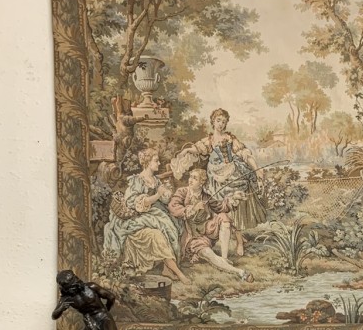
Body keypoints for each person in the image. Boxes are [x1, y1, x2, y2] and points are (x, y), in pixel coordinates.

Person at [170, 109, 266, 241]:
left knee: (236, 199)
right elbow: (197, 149)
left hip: (232, 172)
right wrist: (186, 150)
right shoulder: (209, 140)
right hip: (215, 177)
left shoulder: (230, 139)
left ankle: (237, 234)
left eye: (223, 122)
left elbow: (244, 153)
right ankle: (225, 231)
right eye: (218, 120)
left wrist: (257, 169)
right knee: (219, 203)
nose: (221, 124)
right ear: (213, 122)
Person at [103, 146, 189, 283]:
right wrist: (157, 195)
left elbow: (163, 200)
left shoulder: (156, 180)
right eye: (156, 160)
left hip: (154, 214)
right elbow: (132, 202)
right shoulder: (137, 180)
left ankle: (168, 269)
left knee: (175, 226)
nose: (159, 163)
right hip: (137, 217)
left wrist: (166, 193)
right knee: (158, 234)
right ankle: (178, 272)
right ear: (147, 162)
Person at [168, 168, 252, 282]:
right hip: (192, 236)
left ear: (201, 182)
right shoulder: (182, 192)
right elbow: (173, 207)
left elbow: (221, 207)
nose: (190, 180)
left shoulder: (206, 196)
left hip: (207, 230)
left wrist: (234, 198)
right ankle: (240, 272)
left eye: (195, 178)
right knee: (209, 255)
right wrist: (193, 208)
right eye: (190, 177)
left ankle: (224, 258)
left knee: (223, 217)